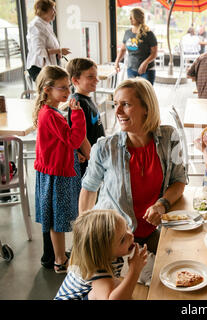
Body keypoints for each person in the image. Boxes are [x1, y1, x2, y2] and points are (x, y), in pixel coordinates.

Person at [78, 78, 187, 254]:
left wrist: (162, 204)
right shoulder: (105, 147)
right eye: (116, 104)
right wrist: (83, 235)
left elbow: (179, 180)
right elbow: (89, 189)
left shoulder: (169, 137)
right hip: (112, 236)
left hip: (152, 231)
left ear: (146, 108)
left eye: (126, 104)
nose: (118, 111)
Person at [33, 65, 86, 273]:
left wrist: (74, 155)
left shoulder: (47, 111)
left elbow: (58, 143)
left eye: (68, 87)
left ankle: (60, 256)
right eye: (62, 88)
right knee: (58, 219)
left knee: (58, 218)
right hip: (58, 174)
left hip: (55, 169)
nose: (67, 92)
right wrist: (77, 113)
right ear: (47, 89)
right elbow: (73, 139)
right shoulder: (53, 115)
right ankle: (59, 259)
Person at [55, 209, 148, 300]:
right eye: (122, 239)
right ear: (103, 251)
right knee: (101, 292)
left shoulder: (102, 258)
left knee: (116, 285)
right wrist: (134, 271)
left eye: (127, 227)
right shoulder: (97, 270)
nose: (131, 235)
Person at [66, 58, 105, 177]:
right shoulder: (78, 103)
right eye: (90, 77)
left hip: (96, 155)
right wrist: (94, 161)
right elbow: (81, 137)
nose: (96, 80)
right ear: (75, 80)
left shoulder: (86, 98)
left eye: (96, 76)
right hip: (89, 163)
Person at [26, 0, 71, 81]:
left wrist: (58, 53)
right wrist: (59, 51)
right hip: (39, 68)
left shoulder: (45, 24)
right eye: (53, 9)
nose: (55, 12)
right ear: (43, 11)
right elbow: (39, 51)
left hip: (48, 66)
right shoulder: (36, 26)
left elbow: (50, 44)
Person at [114, 7, 158, 84]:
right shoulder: (127, 33)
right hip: (131, 70)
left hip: (146, 71)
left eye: (132, 17)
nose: (130, 18)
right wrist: (116, 62)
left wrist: (145, 63)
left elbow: (154, 53)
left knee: (144, 95)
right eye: (130, 16)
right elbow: (123, 50)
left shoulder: (149, 34)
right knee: (133, 94)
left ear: (138, 18)